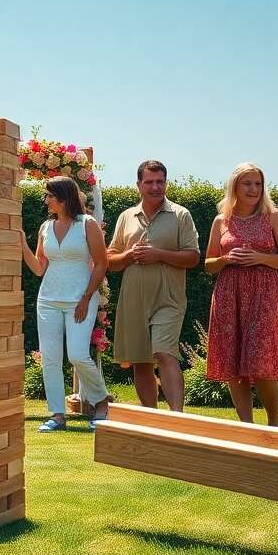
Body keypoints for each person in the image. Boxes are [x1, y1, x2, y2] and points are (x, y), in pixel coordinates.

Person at [204, 163, 278, 426]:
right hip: (228, 294)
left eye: (258, 184)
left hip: (263, 292)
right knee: (232, 358)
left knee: (261, 356)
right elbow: (208, 264)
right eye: (247, 183)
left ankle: (274, 422)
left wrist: (260, 257)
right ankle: (246, 425)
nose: (253, 189)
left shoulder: (273, 216)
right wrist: (225, 258)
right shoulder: (222, 220)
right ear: (234, 186)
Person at [107, 160, 201, 410]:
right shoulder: (126, 217)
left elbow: (193, 257)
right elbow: (110, 260)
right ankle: (153, 420)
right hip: (133, 298)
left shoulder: (181, 215)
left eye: (160, 181)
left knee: (164, 351)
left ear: (166, 183)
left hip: (169, 298)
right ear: (139, 184)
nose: (155, 187)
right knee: (140, 361)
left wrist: (158, 254)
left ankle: (177, 419)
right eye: (149, 182)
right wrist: (128, 256)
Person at [18, 176, 110, 432]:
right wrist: (22, 243)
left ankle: (101, 400)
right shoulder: (45, 227)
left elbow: (102, 264)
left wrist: (86, 297)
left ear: (63, 197)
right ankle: (57, 415)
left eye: (49, 196)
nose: (46, 201)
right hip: (47, 300)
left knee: (78, 354)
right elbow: (38, 268)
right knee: (50, 358)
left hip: (81, 300)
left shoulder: (87, 225)